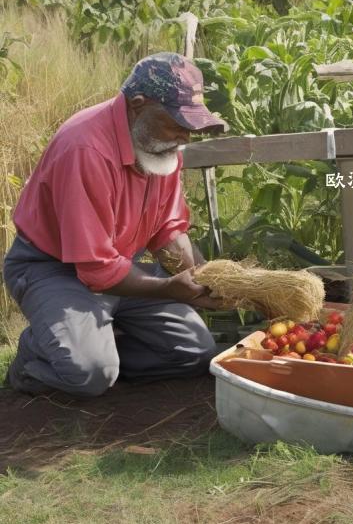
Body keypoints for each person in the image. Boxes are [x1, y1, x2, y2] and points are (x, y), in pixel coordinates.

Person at [3, 52, 227, 398]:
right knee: (87, 374)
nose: (184, 137)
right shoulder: (85, 149)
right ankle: (38, 356)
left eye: (189, 126)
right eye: (177, 123)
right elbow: (95, 269)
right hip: (52, 269)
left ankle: (95, 345)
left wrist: (208, 279)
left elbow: (168, 231)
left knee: (195, 352)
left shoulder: (161, 144)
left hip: (117, 267)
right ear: (138, 104)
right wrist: (168, 288)